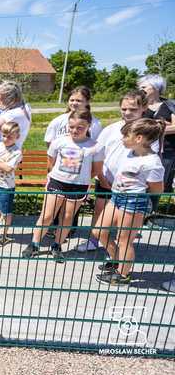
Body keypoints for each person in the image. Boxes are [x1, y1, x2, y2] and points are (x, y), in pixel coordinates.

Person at [22, 110, 104, 262]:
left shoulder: (95, 146)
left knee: (67, 218)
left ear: (89, 126)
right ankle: (34, 244)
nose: (75, 130)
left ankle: (57, 245)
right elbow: (51, 162)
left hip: (78, 186)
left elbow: (96, 169)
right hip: (57, 181)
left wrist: (82, 179)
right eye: (72, 126)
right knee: (47, 216)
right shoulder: (59, 141)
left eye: (80, 127)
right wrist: (58, 176)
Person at [78, 91, 155, 252]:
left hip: (131, 188)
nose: (127, 113)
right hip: (106, 181)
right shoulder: (111, 129)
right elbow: (98, 152)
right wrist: (99, 175)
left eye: (132, 109)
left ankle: (121, 251)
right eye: (124, 109)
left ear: (144, 108)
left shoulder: (148, 132)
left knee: (124, 222)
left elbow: (151, 162)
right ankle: (93, 241)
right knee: (99, 213)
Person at [95, 119, 165, 285]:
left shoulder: (152, 163)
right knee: (99, 231)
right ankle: (117, 259)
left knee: (124, 239)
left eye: (126, 135)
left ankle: (122, 275)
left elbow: (157, 189)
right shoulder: (130, 153)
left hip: (134, 202)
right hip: (116, 197)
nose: (123, 139)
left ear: (139, 138)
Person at [43, 86, 102, 242]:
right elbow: (50, 144)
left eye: (79, 100)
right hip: (59, 167)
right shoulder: (58, 120)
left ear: (87, 102)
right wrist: (52, 166)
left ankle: (68, 230)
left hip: (80, 172)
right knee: (54, 202)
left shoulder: (95, 123)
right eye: (72, 99)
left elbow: (95, 148)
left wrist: (86, 176)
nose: (75, 103)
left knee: (71, 207)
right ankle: (52, 227)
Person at [139, 74, 175, 197]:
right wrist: (162, 125)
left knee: (160, 183)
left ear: (155, 88)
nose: (141, 89)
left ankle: (154, 211)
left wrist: (150, 128)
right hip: (143, 150)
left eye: (144, 86)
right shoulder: (139, 106)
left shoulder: (169, 105)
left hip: (166, 151)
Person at [0, 81, 31, 149]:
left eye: (1, 96)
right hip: (6, 151)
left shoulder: (13, 114)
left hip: (4, 154)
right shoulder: (24, 107)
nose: (0, 99)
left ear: (9, 97)